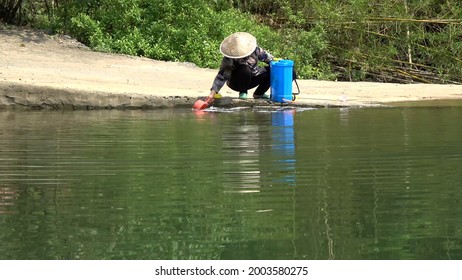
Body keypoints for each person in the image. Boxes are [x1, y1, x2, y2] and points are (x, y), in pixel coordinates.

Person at [206, 32, 275, 103]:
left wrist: (277, 64)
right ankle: (243, 92)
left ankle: (259, 93)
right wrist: (212, 93)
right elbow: (222, 76)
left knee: (272, 70)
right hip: (236, 83)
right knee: (244, 68)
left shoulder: (256, 50)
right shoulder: (230, 58)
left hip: (252, 78)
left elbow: (270, 59)